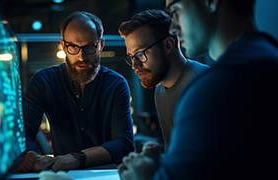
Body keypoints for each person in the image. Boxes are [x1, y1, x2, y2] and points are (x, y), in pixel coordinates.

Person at [118, 0, 278, 179]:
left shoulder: (212, 88)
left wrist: (145, 176)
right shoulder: (267, 57)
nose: (174, 27)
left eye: (176, 10)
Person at [18, 11, 135, 172]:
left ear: (100, 46)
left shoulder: (116, 84)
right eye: (73, 47)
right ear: (64, 46)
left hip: (106, 174)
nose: (81, 56)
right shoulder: (43, 82)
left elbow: (124, 143)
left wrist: (75, 158)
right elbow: (25, 131)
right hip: (62, 175)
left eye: (89, 47)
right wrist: (30, 154)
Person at [118, 9, 209, 152]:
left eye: (140, 54)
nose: (135, 65)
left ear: (168, 45)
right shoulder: (160, 90)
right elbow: (173, 151)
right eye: (131, 57)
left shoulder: (203, 85)